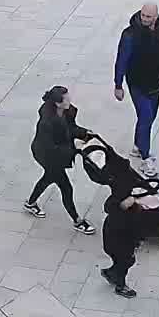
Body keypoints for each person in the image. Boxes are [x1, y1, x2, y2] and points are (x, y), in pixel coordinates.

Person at [113, 3, 159, 173]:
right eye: (143, 15)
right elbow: (121, 59)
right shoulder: (130, 35)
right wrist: (118, 84)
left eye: (148, 16)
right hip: (137, 84)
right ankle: (145, 158)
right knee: (146, 117)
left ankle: (138, 145)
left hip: (155, 83)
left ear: (155, 17)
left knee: (149, 119)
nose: (144, 19)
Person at [24, 86, 97, 234]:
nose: (70, 100)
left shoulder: (67, 112)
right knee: (65, 187)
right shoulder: (46, 123)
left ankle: (30, 203)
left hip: (56, 153)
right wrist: (75, 148)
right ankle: (77, 221)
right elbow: (50, 148)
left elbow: (70, 128)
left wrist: (84, 134)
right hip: (46, 155)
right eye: (67, 98)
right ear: (58, 103)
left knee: (48, 178)